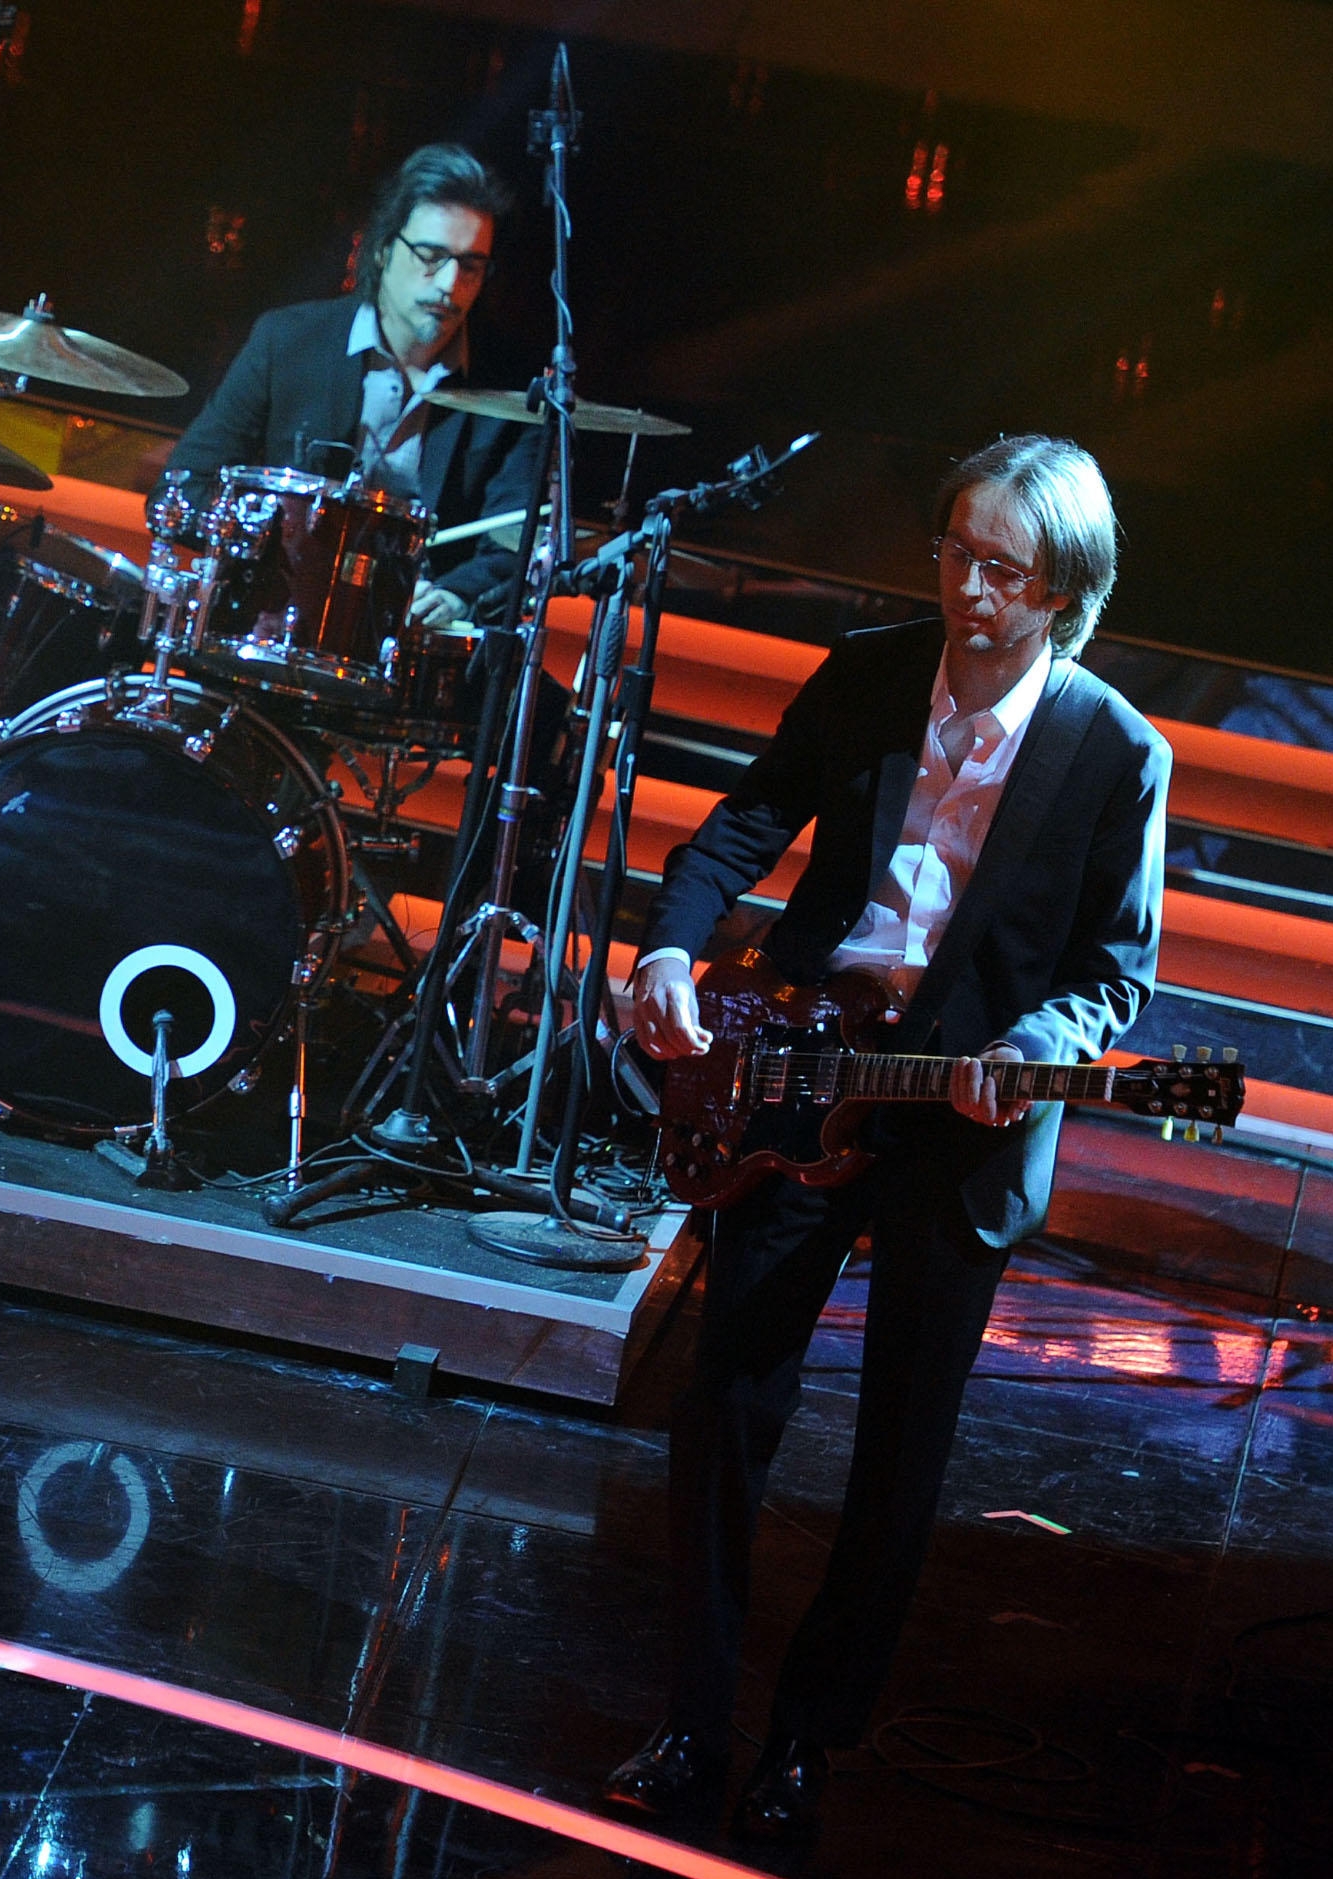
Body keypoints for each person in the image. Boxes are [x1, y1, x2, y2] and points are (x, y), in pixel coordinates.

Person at [601, 436, 1168, 1840]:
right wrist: (671, 951)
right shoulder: (868, 671)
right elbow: (744, 822)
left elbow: (1115, 968)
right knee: (726, 1397)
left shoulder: (1113, 749)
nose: (968, 588)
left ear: (1064, 589)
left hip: (958, 1115)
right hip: (803, 1063)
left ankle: (807, 1737)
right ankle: (694, 1714)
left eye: (1003, 569)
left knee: (899, 1447)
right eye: (953, 551)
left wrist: (1032, 1051)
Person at [163, 141, 543, 624]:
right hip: (276, 619)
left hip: (409, 645)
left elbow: (518, 538)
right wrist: (267, 552)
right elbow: (184, 486)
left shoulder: (512, 387)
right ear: (382, 249)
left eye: (470, 266)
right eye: (430, 255)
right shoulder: (288, 340)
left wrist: (454, 595)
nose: (450, 284)